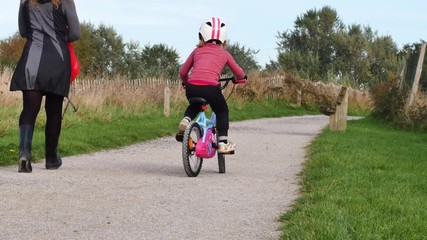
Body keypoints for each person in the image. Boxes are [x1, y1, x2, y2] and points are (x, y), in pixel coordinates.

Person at [10, 0, 80, 173]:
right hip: (57, 60)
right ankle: (51, 158)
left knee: (29, 109)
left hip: (31, 61)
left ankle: (24, 155)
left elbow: (24, 31)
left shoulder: (25, 2)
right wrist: (58, 34)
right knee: (54, 111)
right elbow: (75, 33)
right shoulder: (65, 2)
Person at [178, 17, 246, 154]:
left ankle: (186, 121)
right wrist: (241, 78)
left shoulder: (196, 51)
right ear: (224, 39)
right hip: (210, 88)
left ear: (201, 36)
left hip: (192, 87)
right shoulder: (224, 54)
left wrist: (186, 82)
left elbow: (183, 71)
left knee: (194, 106)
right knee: (221, 111)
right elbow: (239, 72)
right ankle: (222, 143)